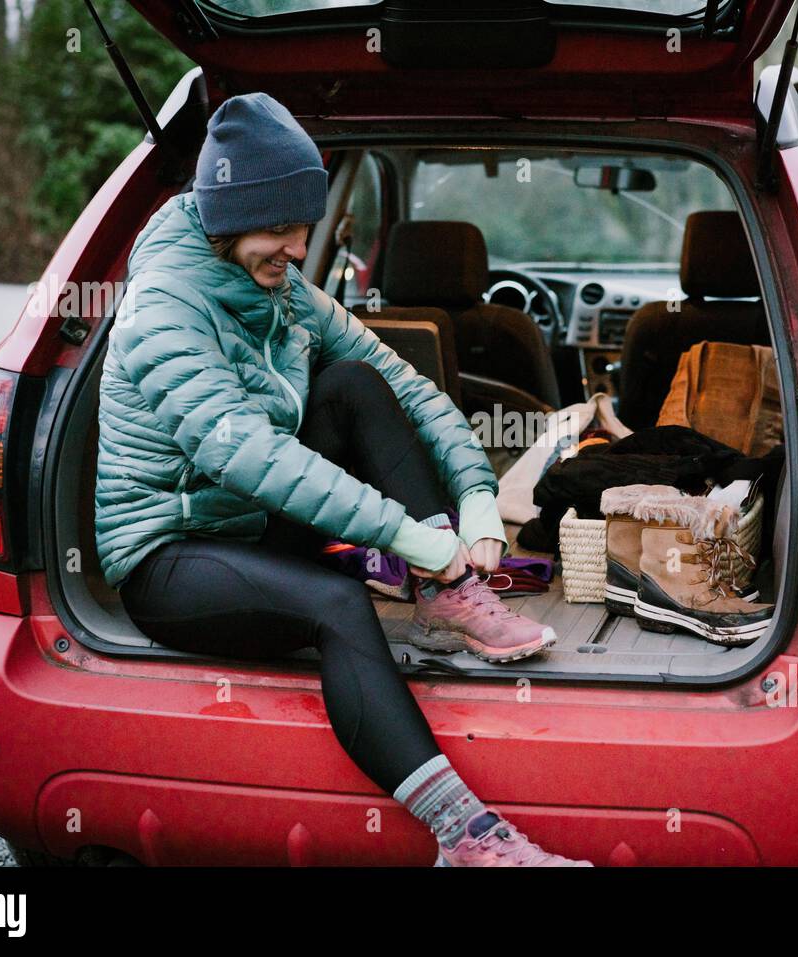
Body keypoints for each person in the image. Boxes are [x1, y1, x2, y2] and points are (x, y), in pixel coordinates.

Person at [94, 92, 589, 867]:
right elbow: (251, 454)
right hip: (169, 553)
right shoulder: (166, 307)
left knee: (356, 379)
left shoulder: (281, 290)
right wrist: (400, 534)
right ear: (230, 216)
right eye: (282, 229)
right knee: (336, 601)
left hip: (252, 523)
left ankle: (445, 593)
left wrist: (477, 500)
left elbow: (410, 386)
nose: (298, 248)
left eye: (305, 229)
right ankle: (468, 839)